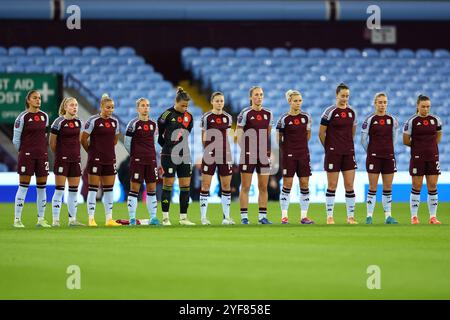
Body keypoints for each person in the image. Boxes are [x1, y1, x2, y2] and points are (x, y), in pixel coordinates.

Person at [319, 83, 358, 225]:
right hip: (333, 153)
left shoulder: (352, 112)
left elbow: (352, 133)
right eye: (343, 96)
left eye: (347, 96)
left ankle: (350, 217)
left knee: (349, 185)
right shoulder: (329, 112)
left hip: (348, 152)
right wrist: (329, 148)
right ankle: (329, 216)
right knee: (332, 185)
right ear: (337, 95)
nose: (345, 98)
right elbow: (321, 133)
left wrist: (346, 145)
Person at [81, 94, 121, 227]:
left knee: (109, 189)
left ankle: (109, 219)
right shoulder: (93, 121)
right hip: (95, 159)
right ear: (102, 107)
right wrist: (91, 152)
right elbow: (83, 139)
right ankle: (91, 218)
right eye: (108, 107)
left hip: (110, 159)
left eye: (112, 108)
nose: (110, 110)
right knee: (92, 189)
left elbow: (114, 141)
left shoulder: (115, 122)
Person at [12, 90, 50, 228]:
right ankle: (17, 219)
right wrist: (24, 152)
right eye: (35, 98)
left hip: (42, 156)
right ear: (28, 100)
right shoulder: (22, 117)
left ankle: (41, 219)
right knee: (23, 187)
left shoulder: (44, 116)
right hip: (27, 156)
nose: (38, 100)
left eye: (39, 98)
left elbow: (44, 137)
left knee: (42, 188)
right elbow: (16, 140)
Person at [157, 87, 195, 226]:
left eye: (187, 106)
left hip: (184, 154)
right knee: (168, 184)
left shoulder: (189, 117)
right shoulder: (166, 115)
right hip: (168, 154)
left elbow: (186, 134)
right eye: (182, 105)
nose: (185, 108)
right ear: (176, 102)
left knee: (185, 186)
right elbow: (160, 137)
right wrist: (168, 149)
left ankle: (183, 218)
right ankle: (165, 218)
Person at [403, 94, 442, 225]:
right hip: (417, 158)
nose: (426, 109)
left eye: (428, 106)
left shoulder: (436, 120)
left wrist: (429, 147)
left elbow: (438, 137)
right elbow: (406, 140)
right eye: (423, 106)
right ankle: (414, 217)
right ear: (417, 106)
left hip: (432, 157)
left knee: (432, 186)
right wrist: (419, 147)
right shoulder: (411, 121)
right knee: (416, 186)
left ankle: (433, 217)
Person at [236, 86, 273, 224]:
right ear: (251, 97)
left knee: (263, 187)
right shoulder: (245, 113)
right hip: (248, 154)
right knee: (246, 186)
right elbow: (239, 133)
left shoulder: (268, 113)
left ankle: (262, 217)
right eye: (256, 94)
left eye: (261, 94)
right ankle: (244, 217)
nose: (259, 97)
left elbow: (267, 132)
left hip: (263, 154)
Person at [276, 90, 314, 225]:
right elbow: (278, 139)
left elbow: (308, 135)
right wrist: (288, 150)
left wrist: (300, 147)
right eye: (295, 101)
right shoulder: (283, 119)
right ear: (289, 102)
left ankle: (304, 216)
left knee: (304, 184)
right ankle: (284, 216)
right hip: (289, 156)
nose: (298, 103)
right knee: (287, 184)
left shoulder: (306, 117)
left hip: (303, 154)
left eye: (300, 100)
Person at [361, 93, 399, 225]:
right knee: (373, 187)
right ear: (375, 103)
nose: (382, 105)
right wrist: (371, 152)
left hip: (388, 157)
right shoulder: (369, 120)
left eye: (384, 102)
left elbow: (394, 138)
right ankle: (369, 216)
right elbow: (363, 140)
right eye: (380, 102)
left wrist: (388, 150)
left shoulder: (392, 120)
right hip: (374, 158)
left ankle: (388, 216)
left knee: (388, 187)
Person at [199, 92, 234, 225]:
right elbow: (204, 137)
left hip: (225, 154)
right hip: (210, 154)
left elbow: (227, 137)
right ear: (212, 102)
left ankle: (226, 217)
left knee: (226, 185)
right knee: (206, 185)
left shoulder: (228, 118)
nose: (220, 103)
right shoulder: (206, 117)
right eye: (217, 101)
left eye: (221, 101)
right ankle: (203, 217)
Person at [49, 97, 85, 227]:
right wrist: (60, 155)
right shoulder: (58, 122)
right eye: (71, 105)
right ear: (65, 107)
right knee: (59, 190)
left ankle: (72, 220)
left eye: (76, 105)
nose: (74, 107)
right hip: (62, 160)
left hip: (75, 160)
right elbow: (52, 143)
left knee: (74, 190)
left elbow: (79, 141)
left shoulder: (79, 122)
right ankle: (55, 220)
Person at [124, 97, 159, 226]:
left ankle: (153, 217)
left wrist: (150, 155)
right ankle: (132, 218)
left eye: (147, 105)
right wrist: (135, 155)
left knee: (152, 189)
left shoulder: (153, 124)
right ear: (138, 108)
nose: (146, 108)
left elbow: (154, 143)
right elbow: (127, 144)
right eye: (143, 105)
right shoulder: (133, 124)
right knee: (134, 189)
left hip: (151, 160)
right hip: (137, 161)